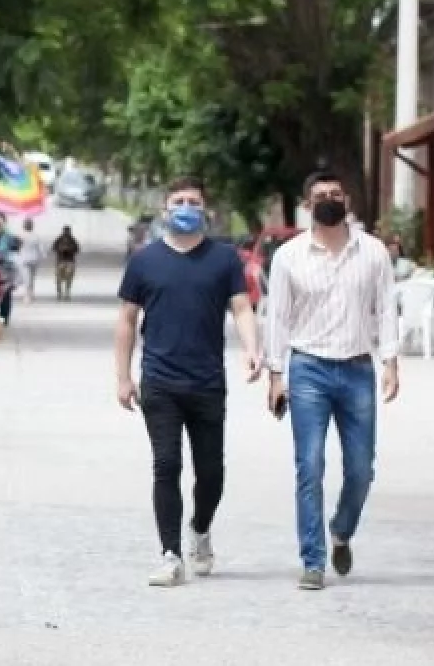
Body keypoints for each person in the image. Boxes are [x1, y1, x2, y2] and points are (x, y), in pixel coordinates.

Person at [114, 176, 261, 588]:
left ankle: (200, 527)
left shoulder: (224, 259)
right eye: (177, 200)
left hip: (207, 381)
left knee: (211, 472)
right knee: (166, 465)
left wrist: (252, 348)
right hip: (159, 381)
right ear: (164, 209)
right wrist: (123, 377)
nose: (185, 207)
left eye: (193, 201)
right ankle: (170, 554)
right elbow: (127, 320)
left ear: (205, 209)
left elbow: (241, 308)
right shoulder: (144, 261)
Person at [265, 170, 400, 592]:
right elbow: (277, 318)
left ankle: (341, 529)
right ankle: (313, 560)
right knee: (310, 465)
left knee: (361, 469)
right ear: (308, 205)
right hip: (308, 369)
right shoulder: (288, 257)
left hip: (358, 369)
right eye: (321, 195)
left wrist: (391, 362)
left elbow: (386, 307)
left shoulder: (373, 252)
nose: (329, 199)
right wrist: (275, 374)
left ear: (347, 201)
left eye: (336, 194)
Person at [16, 217, 44, 303]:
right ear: (32, 226)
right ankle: (31, 293)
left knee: (26, 277)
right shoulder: (36, 236)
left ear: (24, 226)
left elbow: (16, 247)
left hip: (24, 259)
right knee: (32, 277)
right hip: (34, 259)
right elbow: (41, 248)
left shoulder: (20, 236)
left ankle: (27, 295)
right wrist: (42, 256)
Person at [51, 226, 80, 301]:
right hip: (61, 261)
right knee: (59, 278)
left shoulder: (72, 240)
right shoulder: (59, 239)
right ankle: (60, 292)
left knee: (68, 277)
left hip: (69, 261)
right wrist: (61, 249)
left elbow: (77, 249)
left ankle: (66, 292)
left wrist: (69, 249)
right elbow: (54, 248)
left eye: (67, 231)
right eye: (66, 231)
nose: (66, 233)